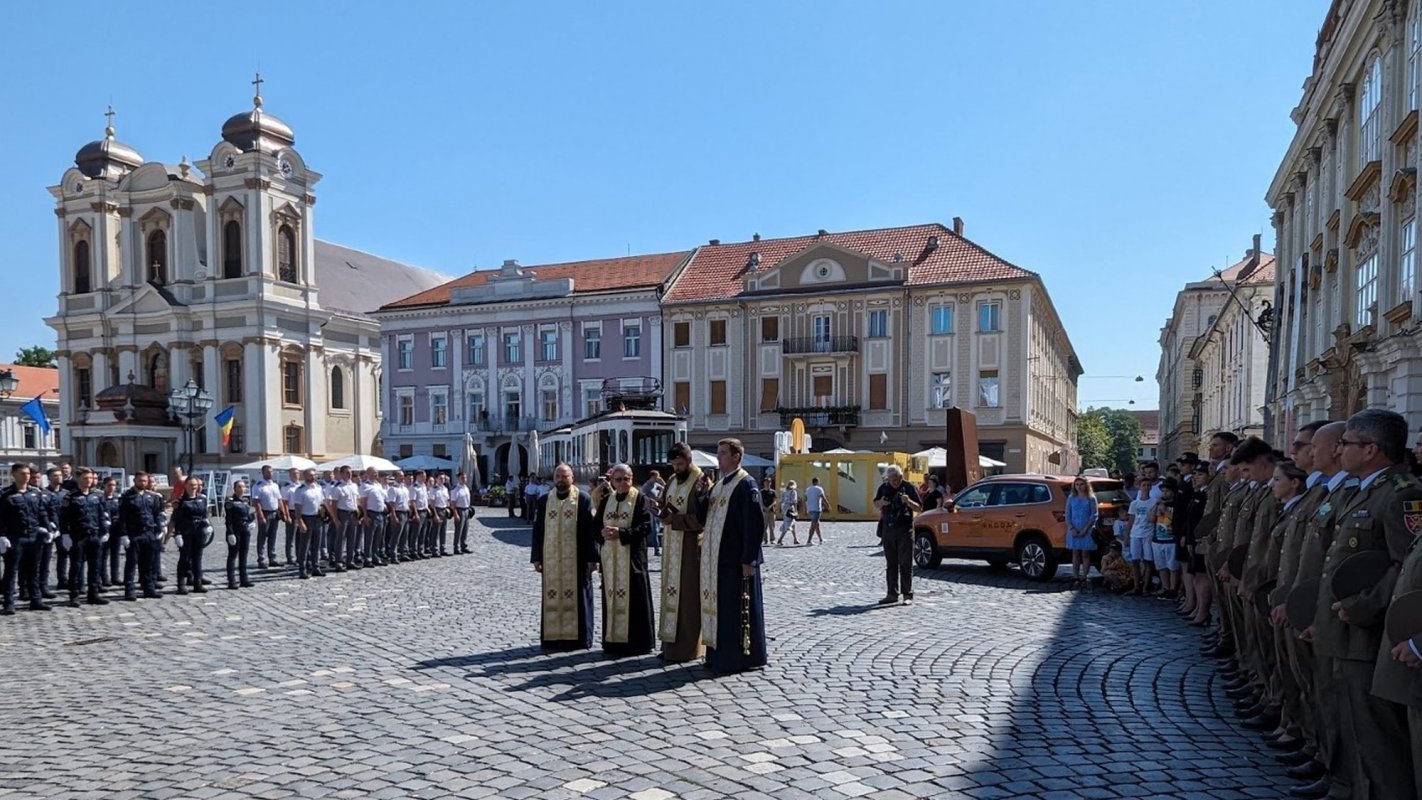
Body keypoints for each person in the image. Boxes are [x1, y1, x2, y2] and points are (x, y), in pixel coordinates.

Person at [1314, 409, 1420, 794]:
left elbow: (1405, 566)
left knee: (1377, 740)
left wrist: (1361, 606)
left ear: (1371, 449)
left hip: (1367, 635)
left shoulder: (1401, 493)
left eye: (1347, 443)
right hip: (1343, 631)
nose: (1339, 450)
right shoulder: (1363, 490)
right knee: (1350, 723)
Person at [694, 438, 768, 674]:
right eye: (718, 452)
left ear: (736, 456)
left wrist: (749, 559)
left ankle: (739, 657)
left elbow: (754, 525)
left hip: (736, 561)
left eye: (723, 453)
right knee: (719, 609)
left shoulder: (746, 484)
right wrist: (700, 496)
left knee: (735, 610)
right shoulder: (719, 484)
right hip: (716, 560)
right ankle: (717, 653)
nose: (719, 457)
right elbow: (704, 516)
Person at [531, 463, 599, 650]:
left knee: (580, 597)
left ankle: (580, 638)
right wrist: (537, 557)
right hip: (551, 559)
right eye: (558, 477)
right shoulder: (545, 500)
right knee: (552, 596)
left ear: (572, 477)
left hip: (577, 559)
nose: (561, 480)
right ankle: (553, 638)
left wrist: (593, 558)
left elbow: (591, 532)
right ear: (554, 478)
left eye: (565, 476)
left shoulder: (583, 499)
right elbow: (538, 531)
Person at [592, 463, 656, 657]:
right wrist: (602, 532)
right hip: (611, 561)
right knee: (611, 600)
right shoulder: (607, 500)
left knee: (635, 600)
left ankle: (638, 643)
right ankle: (613, 642)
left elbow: (646, 527)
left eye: (626, 479)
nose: (622, 483)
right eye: (618, 480)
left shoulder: (640, 498)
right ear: (612, 481)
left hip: (632, 559)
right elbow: (595, 527)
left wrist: (621, 533)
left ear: (632, 479)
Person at [657, 443, 708, 663]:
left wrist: (674, 520)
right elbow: (665, 504)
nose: (676, 468)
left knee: (687, 601)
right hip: (671, 549)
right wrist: (658, 509)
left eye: (679, 464)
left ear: (689, 461)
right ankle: (669, 647)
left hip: (689, 550)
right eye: (673, 465)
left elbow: (702, 519)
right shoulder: (670, 480)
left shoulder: (701, 482)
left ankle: (688, 649)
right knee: (670, 596)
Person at [0, 463, 55, 613]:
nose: (26, 476)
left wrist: (49, 530)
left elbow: (42, 513)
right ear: (14, 475)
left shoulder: (35, 493)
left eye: (27, 474)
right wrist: (2, 536)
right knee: (11, 571)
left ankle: (35, 600)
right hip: (15, 537)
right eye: (22, 474)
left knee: (34, 570)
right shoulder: (6, 495)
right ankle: (9, 603)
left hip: (34, 536)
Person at [874, 465, 921, 606]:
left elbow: (919, 507)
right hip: (888, 530)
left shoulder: (909, 487)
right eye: (890, 479)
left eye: (896, 479)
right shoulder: (884, 488)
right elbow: (876, 503)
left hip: (905, 530)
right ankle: (891, 593)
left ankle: (907, 594)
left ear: (901, 477)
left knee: (905, 564)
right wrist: (881, 502)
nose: (893, 482)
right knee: (891, 564)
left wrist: (908, 501)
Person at [62, 467, 109, 607]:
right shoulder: (70, 497)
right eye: (84, 478)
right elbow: (64, 518)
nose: (88, 481)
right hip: (78, 536)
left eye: (90, 478)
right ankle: (74, 595)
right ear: (78, 479)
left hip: (94, 535)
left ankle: (93, 594)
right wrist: (65, 534)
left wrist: (104, 531)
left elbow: (102, 515)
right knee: (76, 567)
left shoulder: (98, 496)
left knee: (95, 566)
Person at [120, 473, 165, 601]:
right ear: (134, 480)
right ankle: (129, 590)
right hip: (134, 533)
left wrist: (159, 529)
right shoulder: (127, 497)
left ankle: (148, 588)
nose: (143, 483)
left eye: (145, 481)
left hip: (149, 532)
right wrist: (124, 534)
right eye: (140, 481)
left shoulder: (151, 497)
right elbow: (122, 518)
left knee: (149, 563)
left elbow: (157, 514)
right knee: (131, 564)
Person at [170, 476, 211, 595]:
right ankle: (181, 584)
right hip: (186, 531)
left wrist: (207, 526)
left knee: (197, 558)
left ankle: (197, 582)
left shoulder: (202, 499)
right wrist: (177, 534)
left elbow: (204, 515)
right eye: (191, 485)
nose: (193, 487)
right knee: (185, 558)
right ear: (186, 486)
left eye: (195, 485)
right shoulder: (181, 502)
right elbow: (177, 519)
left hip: (199, 531)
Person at [291, 470, 328, 579]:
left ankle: (315, 567)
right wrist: (300, 521)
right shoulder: (300, 490)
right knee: (304, 545)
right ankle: (302, 569)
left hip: (317, 518)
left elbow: (321, 502)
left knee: (316, 545)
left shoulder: (318, 488)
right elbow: (297, 507)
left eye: (314, 475)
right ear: (305, 476)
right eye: (311, 475)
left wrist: (324, 513)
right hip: (306, 518)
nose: (313, 477)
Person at [1147, 477, 1180, 599]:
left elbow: (1176, 520)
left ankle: (1173, 589)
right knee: (1161, 566)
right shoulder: (1159, 504)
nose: (1164, 493)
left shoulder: (1176, 505)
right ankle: (1165, 587)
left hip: (1171, 539)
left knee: (1172, 567)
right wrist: (1156, 505)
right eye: (1163, 491)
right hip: (1158, 539)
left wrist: (1165, 510)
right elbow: (1150, 519)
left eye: (1167, 491)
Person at [1064, 477, 1098, 588]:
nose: (1079, 486)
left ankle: (1085, 575)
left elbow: (1094, 514)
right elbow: (1068, 515)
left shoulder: (1091, 498)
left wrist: (1085, 529)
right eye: (1077, 484)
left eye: (1081, 484)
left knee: (1085, 553)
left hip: (1086, 529)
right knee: (1075, 553)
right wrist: (1072, 528)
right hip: (1074, 529)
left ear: (1086, 485)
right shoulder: (1071, 498)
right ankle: (1075, 576)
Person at [1125, 476, 1156, 595]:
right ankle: (1136, 586)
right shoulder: (1134, 503)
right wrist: (1127, 534)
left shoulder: (1154, 502)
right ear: (1139, 487)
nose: (1146, 488)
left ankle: (1145, 588)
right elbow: (1131, 520)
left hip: (1148, 533)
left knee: (1148, 561)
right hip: (1135, 534)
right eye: (1144, 485)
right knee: (1135, 561)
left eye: (1148, 485)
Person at [252, 465, 286, 569]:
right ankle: (261, 559)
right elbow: (256, 502)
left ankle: (272, 558)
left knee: (273, 536)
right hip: (264, 513)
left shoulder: (275, 485)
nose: (270, 474)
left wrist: (283, 512)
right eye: (267, 472)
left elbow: (279, 499)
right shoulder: (258, 485)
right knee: (262, 537)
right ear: (263, 473)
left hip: (275, 512)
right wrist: (260, 515)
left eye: (271, 472)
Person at [224, 480, 256, 589]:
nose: (241, 489)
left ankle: (244, 578)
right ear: (235, 488)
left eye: (243, 487)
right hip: (235, 530)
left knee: (244, 555)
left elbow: (250, 514)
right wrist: (230, 533)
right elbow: (228, 520)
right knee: (233, 556)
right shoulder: (230, 502)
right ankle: (231, 580)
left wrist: (251, 522)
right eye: (239, 487)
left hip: (245, 530)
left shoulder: (246, 501)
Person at [359, 468, 389, 567]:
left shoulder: (378, 485)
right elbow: (363, 502)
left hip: (380, 513)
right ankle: (367, 558)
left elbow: (382, 498)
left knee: (378, 537)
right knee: (369, 537)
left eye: (376, 473)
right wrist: (365, 515)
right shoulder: (365, 485)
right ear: (368, 474)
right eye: (374, 473)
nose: (376, 474)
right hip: (371, 513)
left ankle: (375, 557)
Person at [101, 477, 120, 588]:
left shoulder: (117, 499)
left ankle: (115, 577)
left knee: (115, 555)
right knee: (104, 555)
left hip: (115, 530)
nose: (112, 488)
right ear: (104, 486)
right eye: (109, 485)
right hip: (104, 531)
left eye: (113, 485)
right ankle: (104, 578)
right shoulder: (100, 498)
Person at [641, 470, 666, 557]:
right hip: (650, 510)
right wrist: (650, 501)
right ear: (652, 476)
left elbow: (666, 489)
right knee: (654, 530)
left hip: (657, 510)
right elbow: (642, 497)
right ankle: (657, 549)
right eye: (656, 476)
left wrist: (663, 483)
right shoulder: (646, 486)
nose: (658, 478)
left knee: (658, 529)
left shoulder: (657, 486)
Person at [451, 472, 474, 555]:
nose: (464, 479)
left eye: (465, 478)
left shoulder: (466, 488)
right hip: (459, 510)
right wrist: (455, 514)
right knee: (458, 530)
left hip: (466, 510)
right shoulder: (455, 489)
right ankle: (456, 548)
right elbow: (453, 503)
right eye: (462, 478)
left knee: (465, 529)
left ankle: (463, 546)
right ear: (458, 478)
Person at [776, 480, 800, 546]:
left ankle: (795, 539)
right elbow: (795, 502)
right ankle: (780, 539)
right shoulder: (793, 492)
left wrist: (779, 509)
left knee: (792, 524)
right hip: (790, 509)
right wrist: (796, 511)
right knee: (788, 524)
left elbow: (781, 501)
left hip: (784, 508)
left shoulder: (784, 491)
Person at [804, 476, 827, 545]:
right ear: (817, 482)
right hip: (816, 509)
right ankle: (809, 540)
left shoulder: (808, 489)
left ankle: (820, 539)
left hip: (810, 509)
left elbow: (805, 500)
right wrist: (828, 505)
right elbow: (823, 498)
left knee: (816, 524)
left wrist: (805, 509)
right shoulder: (819, 489)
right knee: (814, 525)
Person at [760, 477, 776, 544]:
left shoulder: (773, 492)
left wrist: (770, 506)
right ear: (764, 483)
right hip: (764, 511)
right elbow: (760, 501)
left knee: (772, 526)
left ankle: (772, 539)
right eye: (766, 482)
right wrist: (764, 507)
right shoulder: (761, 492)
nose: (767, 483)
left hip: (771, 511)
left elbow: (775, 501)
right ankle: (765, 539)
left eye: (769, 482)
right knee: (764, 526)